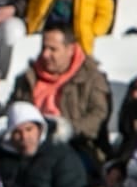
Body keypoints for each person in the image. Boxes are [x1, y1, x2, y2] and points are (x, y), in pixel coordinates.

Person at [6, 23, 111, 152]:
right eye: (44, 48)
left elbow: (98, 115)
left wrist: (70, 129)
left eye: (53, 49)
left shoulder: (92, 79)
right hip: (29, 145)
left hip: (76, 146)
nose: (45, 54)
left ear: (70, 50)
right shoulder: (27, 79)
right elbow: (13, 108)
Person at [0, 101, 89, 187]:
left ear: (40, 129)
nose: (24, 137)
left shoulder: (61, 155)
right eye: (17, 132)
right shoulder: (2, 158)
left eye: (29, 129)